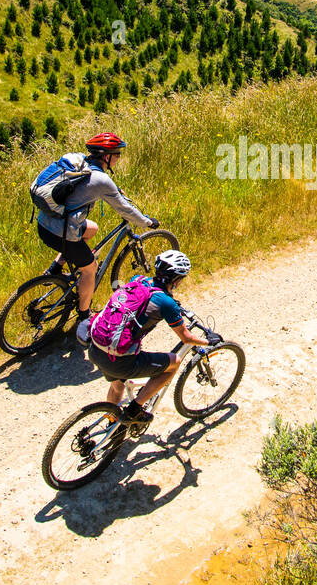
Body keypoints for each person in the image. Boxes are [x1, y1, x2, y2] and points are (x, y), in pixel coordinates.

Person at [35, 131, 157, 340]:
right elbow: (125, 210)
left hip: (45, 224)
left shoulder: (80, 163)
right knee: (90, 269)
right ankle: (83, 317)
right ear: (106, 156)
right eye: (116, 154)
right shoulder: (101, 180)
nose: (118, 158)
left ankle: (55, 269)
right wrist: (146, 222)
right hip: (61, 233)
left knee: (92, 228)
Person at [87, 250, 219, 425]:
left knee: (117, 385)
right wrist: (209, 341)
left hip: (96, 348)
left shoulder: (138, 280)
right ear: (177, 280)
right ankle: (135, 409)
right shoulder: (167, 303)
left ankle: (112, 423)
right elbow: (186, 338)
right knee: (174, 363)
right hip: (119, 361)